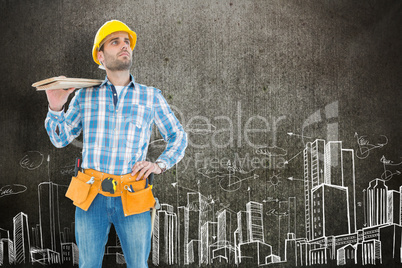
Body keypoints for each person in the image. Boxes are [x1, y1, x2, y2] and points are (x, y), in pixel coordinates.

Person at [44, 20, 187, 267]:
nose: (124, 46)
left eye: (127, 42)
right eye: (115, 41)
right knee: (88, 264)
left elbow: (179, 136)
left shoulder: (150, 96)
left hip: (133, 194)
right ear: (100, 56)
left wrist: (159, 165)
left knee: (138, 265)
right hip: (90, 195)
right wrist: (56, 106)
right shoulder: (84, 95)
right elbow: (60, 139)